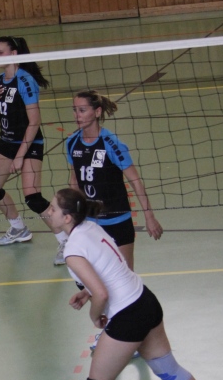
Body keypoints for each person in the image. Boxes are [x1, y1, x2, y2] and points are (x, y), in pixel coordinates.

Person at [45, 188, 223, 380]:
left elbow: (102, 294)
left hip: (128, 315)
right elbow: (108, 271)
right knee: (168, 368)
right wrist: (87, 293)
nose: (48, 213)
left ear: (67, 217)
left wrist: (95, 316)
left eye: (53, 209)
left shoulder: (72, 251)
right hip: (144, 300)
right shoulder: (90, 227)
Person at [62, 89, 163, 269]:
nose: (77, 115)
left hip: (117, 220)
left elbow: (135, 181)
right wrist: (75, 215)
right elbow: (74, 181)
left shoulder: (111, 143)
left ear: (97, 112)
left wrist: (149, 216)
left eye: (82, 110)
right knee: (95, 277)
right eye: (75, 110)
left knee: (125, 275)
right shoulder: (72, 143)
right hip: (90, 222)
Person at [0, 35, 51, 247]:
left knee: (33, 197)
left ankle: (67, 240)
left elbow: (34, 121)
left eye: (0, 52)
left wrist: (20, 156)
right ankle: (18, 227)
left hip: (29, 143)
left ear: (13, 54)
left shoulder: (25, 80)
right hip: (7, 141)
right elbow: (2, 119)